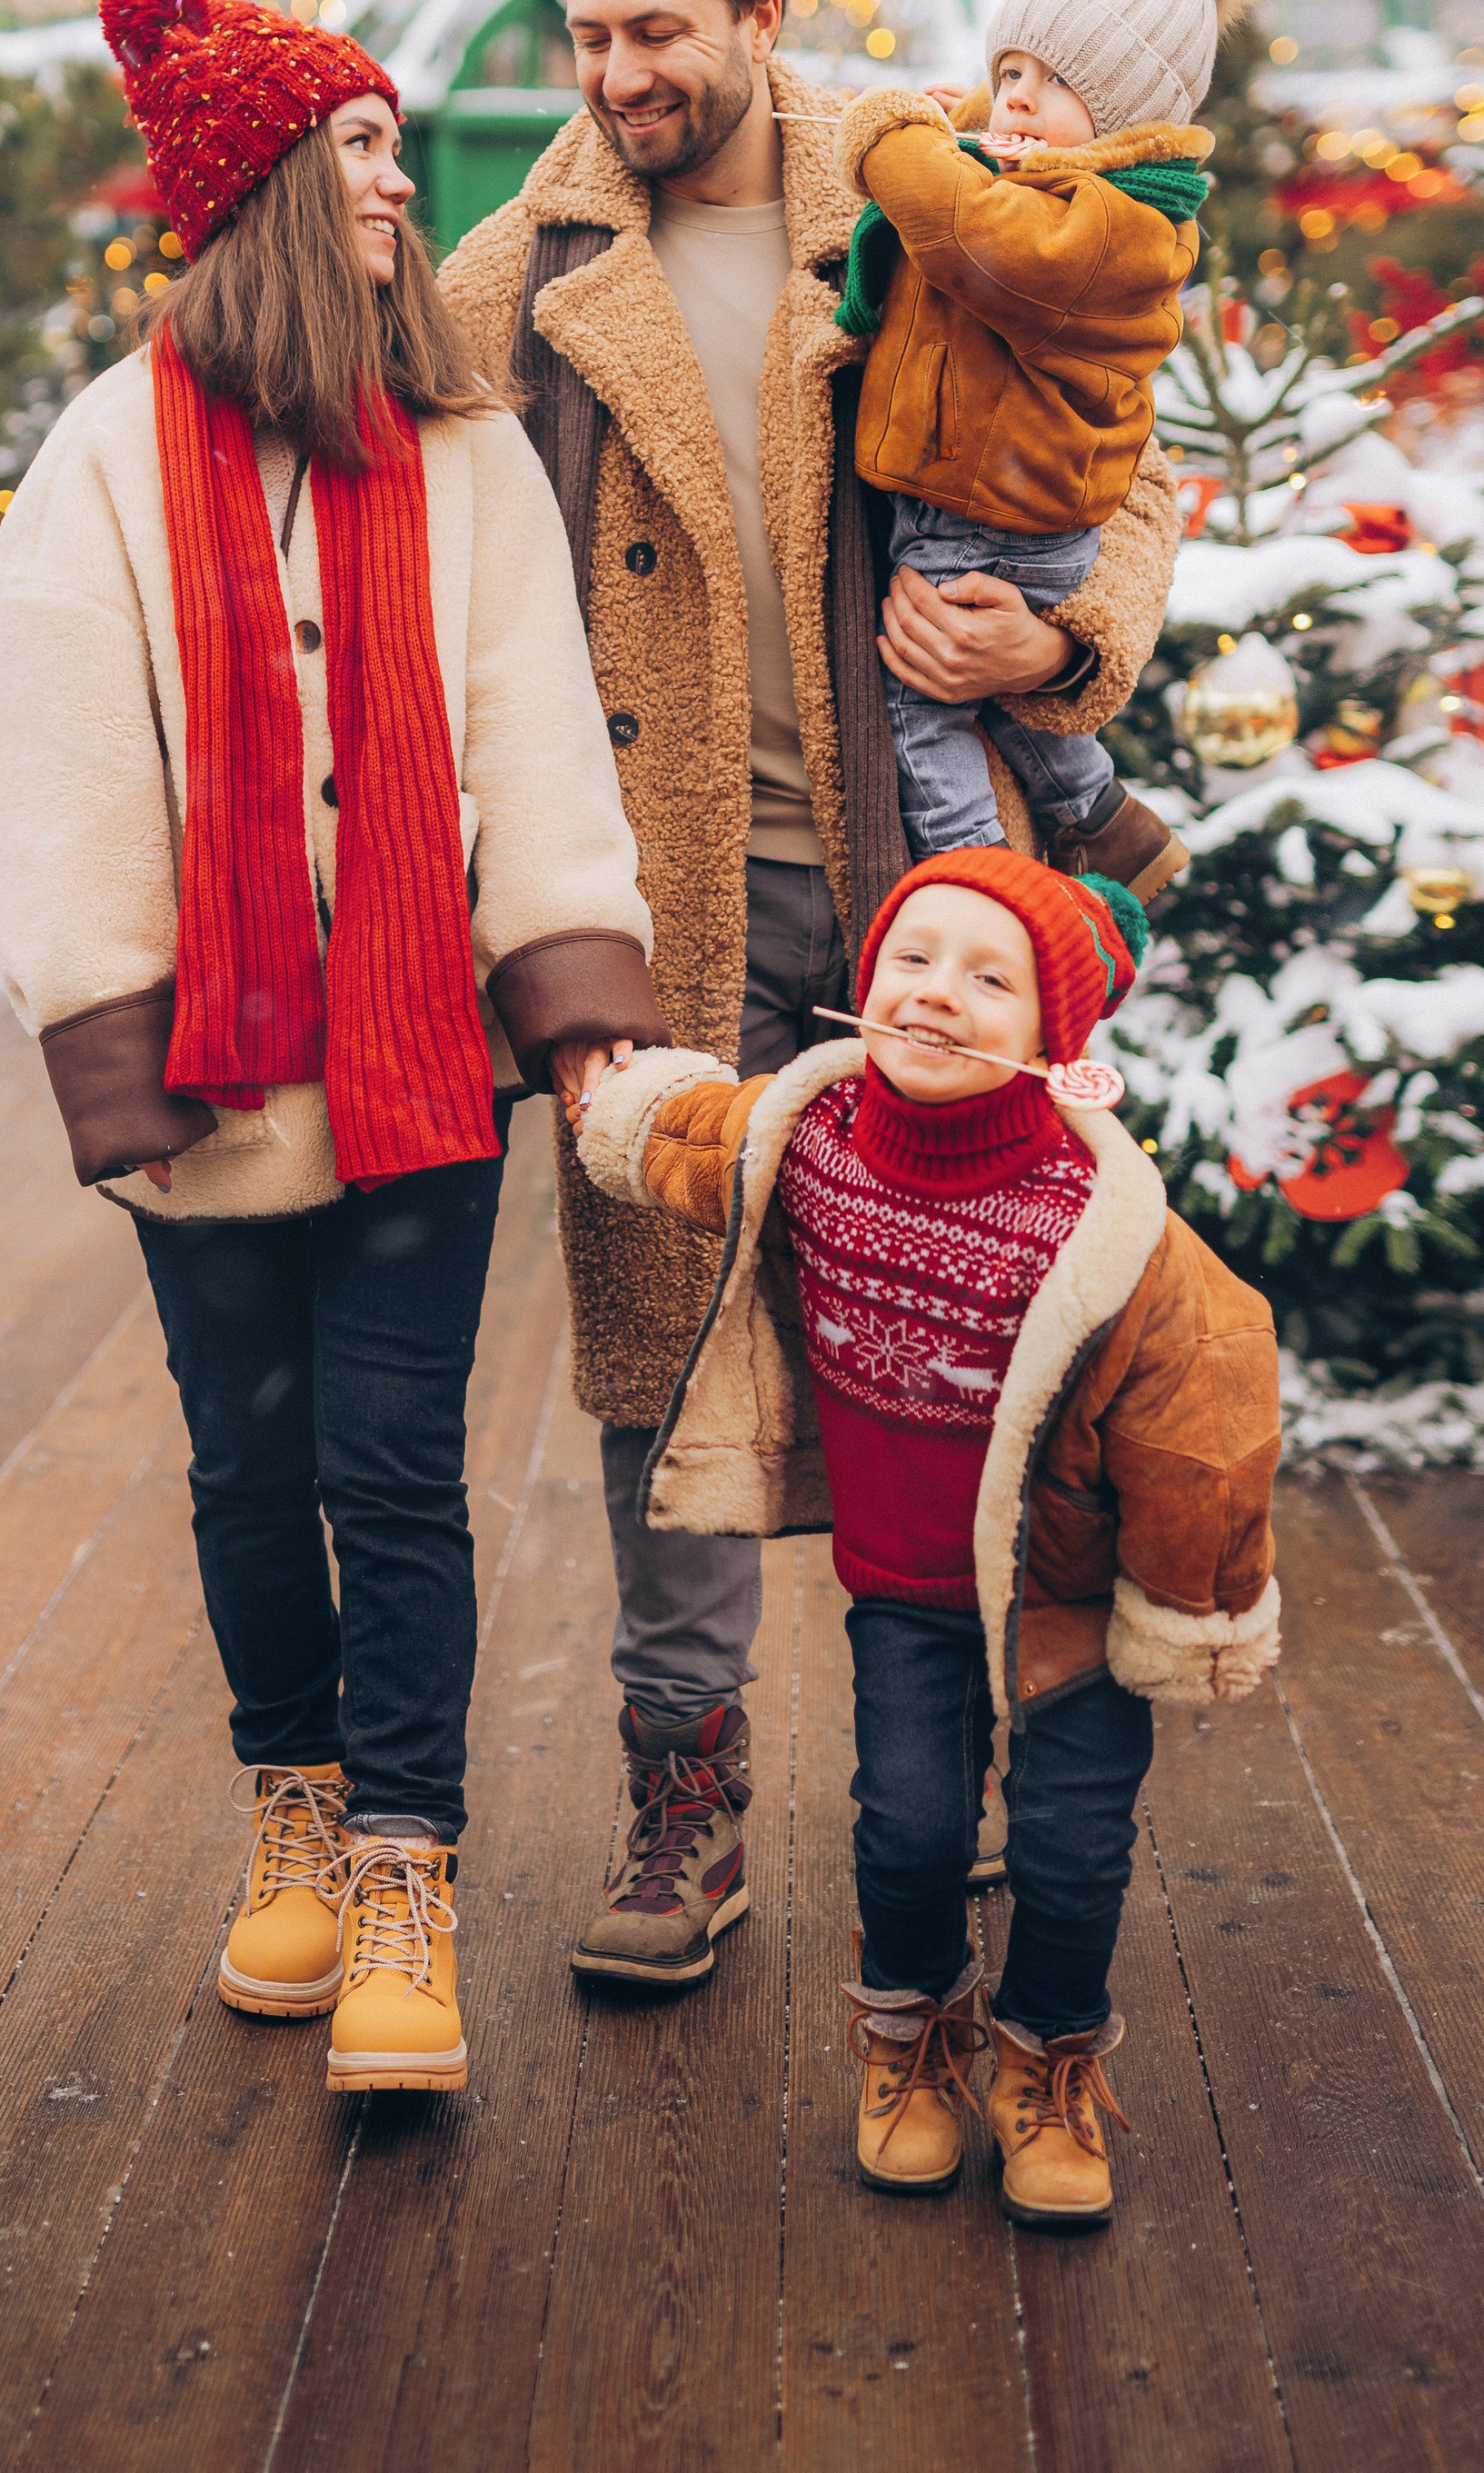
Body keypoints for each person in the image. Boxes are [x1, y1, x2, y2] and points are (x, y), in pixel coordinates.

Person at [437, 0, 1182, 1989]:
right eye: (586, 34)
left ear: (759, 18)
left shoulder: (921, 179)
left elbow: (1119, 464)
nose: (618, 73)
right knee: (659, 1366)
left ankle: (942, 1796)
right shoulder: (521, 271)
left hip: (920, 896)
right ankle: (684, 1808)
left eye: (657, 30)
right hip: (648, 903)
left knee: (970, 1339)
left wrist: (1050, 661)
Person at [0, 0, 666, 2099]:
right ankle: (286, 1801)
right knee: (242, 1465)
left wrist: (569, 997)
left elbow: (532, 737)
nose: (394, 180)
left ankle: (399, 1870)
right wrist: (112, 1050)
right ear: (269, 181)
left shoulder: (461, 460)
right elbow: (72, 770)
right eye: (360, 144)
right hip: (209, 1073)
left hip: (412, 1060)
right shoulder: (101, 460)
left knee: (394, 1472)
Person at [573, 849, 1280, 2226]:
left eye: (989, 978)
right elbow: (702, 1135)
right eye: (912, 960)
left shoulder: (1104, 1221)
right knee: (905, 1831)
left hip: (1065, 1598)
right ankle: (907, 2043)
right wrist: (621, 1099)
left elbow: (1210, 1408)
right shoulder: (816, 1142)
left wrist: (1189, 1605)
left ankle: (1050, 2060)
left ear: (1054, 1038)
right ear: (862, 985)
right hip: (904, 1584)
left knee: (1073, 1848)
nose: (938, 996)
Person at [836, 0, 1265, 900]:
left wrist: (892, 139)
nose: (1014, 102)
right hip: (1009, 505)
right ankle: (1105, 819)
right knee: (988, 693)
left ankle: (972, 880)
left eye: (1051, 83)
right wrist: (966, 124)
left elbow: (971, 238)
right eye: (1007, 75)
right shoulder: (1070, 192)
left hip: (987, 516)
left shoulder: (1109, 229)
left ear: (1124, 122)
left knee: (922, 698)